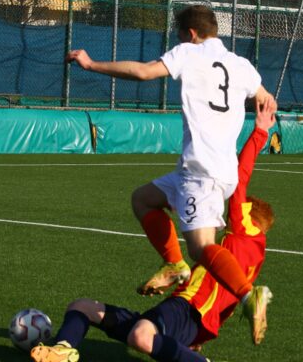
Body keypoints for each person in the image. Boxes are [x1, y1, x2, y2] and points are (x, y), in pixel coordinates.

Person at [65, 5, 277, 339]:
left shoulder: (189, 53)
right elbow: (267, 101)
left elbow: (143, 72)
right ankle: (176, 266)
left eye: (179, 34)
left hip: (201, 173)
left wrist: (91, 64)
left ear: (190, 34)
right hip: (208, 170)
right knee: (143, 200)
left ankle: (250, 296)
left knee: (202, 248)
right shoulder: (242, 66)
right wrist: (253, 116)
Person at [30, 99, 276, 362]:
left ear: (248, 215)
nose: (230, 210)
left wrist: (260, 131)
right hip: (187, 316)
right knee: (81, 307)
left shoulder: (241, 231)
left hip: (187, 308)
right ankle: (62, 349)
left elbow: (241, 176)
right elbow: (220, 304)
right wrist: (195, 339)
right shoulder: (251, 259)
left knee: (142, 337)